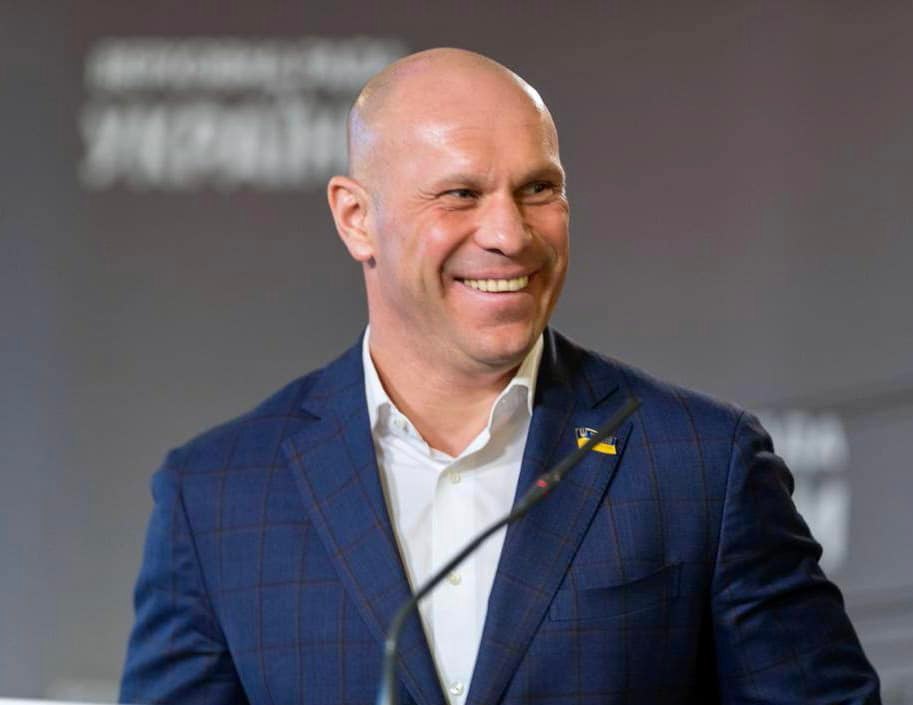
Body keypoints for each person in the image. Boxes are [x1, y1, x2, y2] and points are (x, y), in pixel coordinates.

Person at [119, 48, 880, 705]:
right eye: (460, 194)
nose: (510, 234)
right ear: (356, 218)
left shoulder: (701, 465)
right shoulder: (216, 494)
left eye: (537, 189)